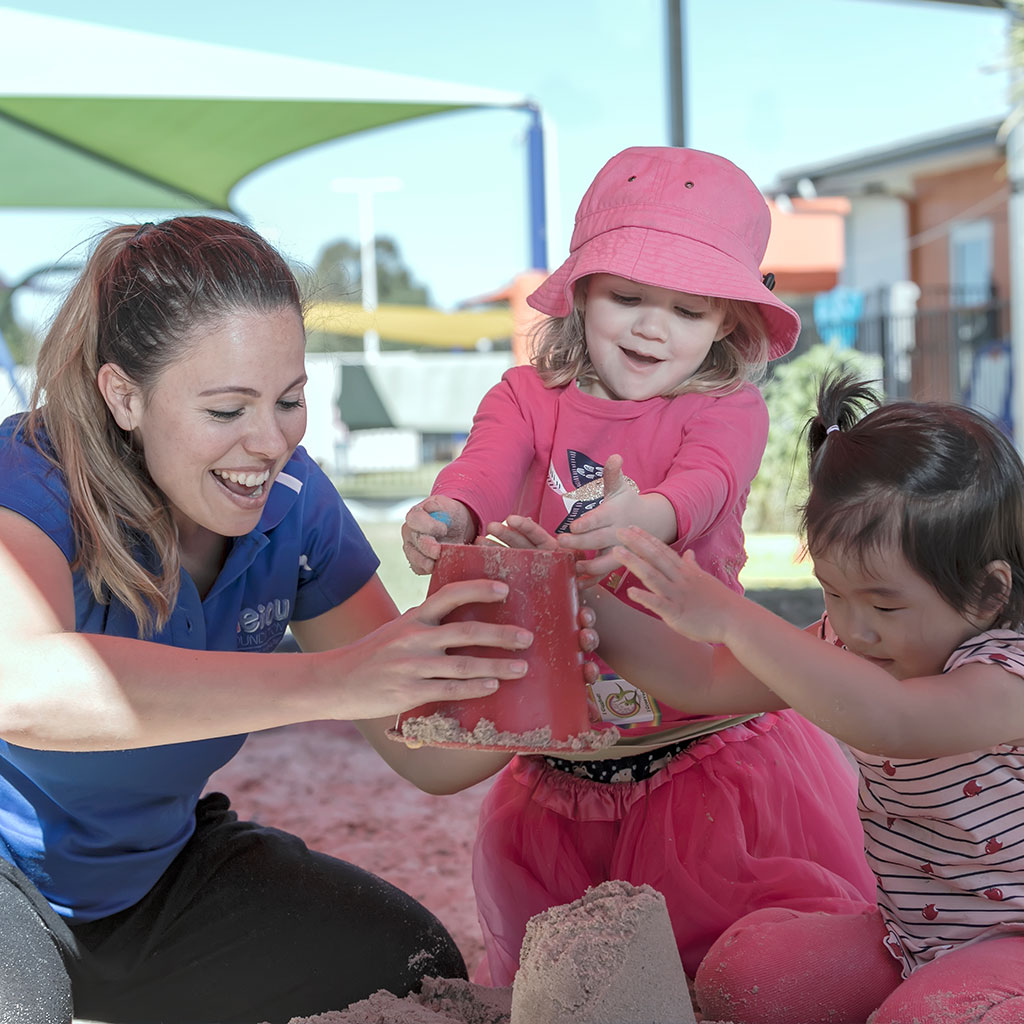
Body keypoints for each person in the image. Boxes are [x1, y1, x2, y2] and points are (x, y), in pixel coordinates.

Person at [0, 215, 594, 1024]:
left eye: (289, 400)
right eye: (226, 410)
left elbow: (423, 753)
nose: (270, 440)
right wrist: (335, 678)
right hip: (10, 885)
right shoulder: (31, 478)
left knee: (408, 965)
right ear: (124, 395)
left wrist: (532, 680)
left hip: (156, 887)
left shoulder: (296, 505)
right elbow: (22, 689)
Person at [401, 146, 876, 985]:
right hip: (564, 764)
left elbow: (706, 483)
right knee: (575, 972)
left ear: (728, 322)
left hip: (704, 754)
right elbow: (482, 467)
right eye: (626, 297)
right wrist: (450, 515)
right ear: (580, 293)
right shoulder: (525, 396)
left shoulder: (727, 406)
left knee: (724, 967)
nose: (652, 327)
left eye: (686, 310)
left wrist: (642, 517)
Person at [610, 372, 1024, 1024]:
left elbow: (895, 719)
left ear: (987, 594)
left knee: (927, 1016)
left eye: (885, 604)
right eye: (834, 592)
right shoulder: (851, 643)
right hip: (910, 938)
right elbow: (704, 681)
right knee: (743, 978)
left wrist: (735, 619)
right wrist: (585, 608)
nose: (855, 628)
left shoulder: (1007, 674)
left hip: (1013, 947)